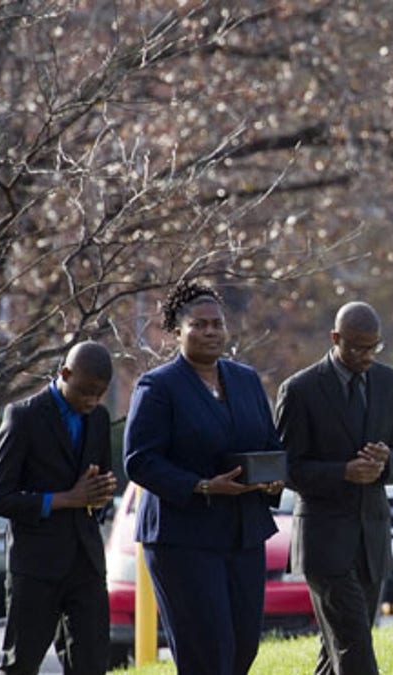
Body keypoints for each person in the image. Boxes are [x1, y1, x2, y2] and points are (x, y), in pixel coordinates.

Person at [124, 280, 285, 675]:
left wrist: (272, 478)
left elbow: (268, 441)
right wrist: (203, 486)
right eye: (199, 324)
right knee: (208, 653)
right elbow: (139, 460)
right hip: (184, 538)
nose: (211, 332)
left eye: (217, 324)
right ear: (177, 331)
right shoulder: (158, 387)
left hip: (243, 532)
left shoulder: (245, 380)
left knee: (243, 648)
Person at [275, 301, 393, 675]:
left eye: (374, 347)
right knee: (354, 642)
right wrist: (343, 472)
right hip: (323, 541)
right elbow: (287, 468)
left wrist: (386, 463)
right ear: (336, 338)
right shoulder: (300, 390)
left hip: (372, 538)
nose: (366, 356)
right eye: (356, 347)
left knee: (337, 647)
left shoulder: (392, 384)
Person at [0, 341, 117, 675]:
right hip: (35, 567)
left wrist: (99, 500)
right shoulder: (23, 416)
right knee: (21, 664)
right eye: (85, 391)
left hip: (86, 562)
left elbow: (98, 486)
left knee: (91, 665)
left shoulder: (99, 419)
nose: (91, 401)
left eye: (99, 394)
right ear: (65, 374)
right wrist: (65, 499)